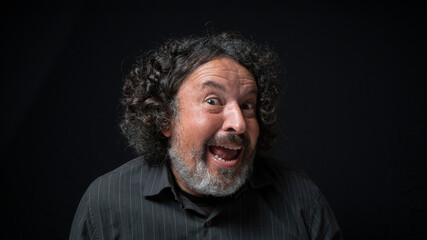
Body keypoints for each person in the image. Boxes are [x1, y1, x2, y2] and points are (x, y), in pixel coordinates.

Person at [70, 32, 342, 239]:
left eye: (248, 105)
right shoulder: (104, 203)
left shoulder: (299, 198)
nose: (239, 123)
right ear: (166, 118)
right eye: (213, 101)